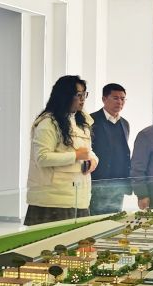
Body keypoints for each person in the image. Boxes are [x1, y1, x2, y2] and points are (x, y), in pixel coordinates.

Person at [24, 75, 98, 225]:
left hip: (79, 197)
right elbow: (42, 158)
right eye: (79, 95)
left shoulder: (81, 122)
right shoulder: (48, 122)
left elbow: (87, 151)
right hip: (53, 201)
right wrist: (75, 155)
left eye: (85, 94)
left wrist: (93, 160)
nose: (82, 99)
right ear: (65, 95)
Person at [89, 83, 131, 214]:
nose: (120, 102)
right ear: (104, 99)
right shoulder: (91, 120)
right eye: (115, 98)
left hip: (118, 183)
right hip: (98, 182)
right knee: (95, 220)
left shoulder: (124, 123)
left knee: (115, 218)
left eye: (123, 99)